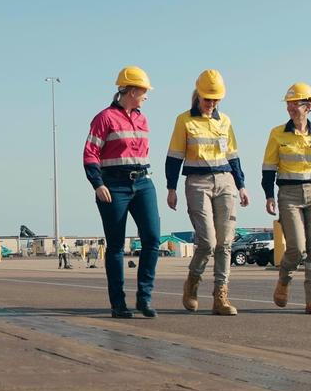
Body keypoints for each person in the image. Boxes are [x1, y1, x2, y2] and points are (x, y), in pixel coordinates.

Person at [166, 69, 250, 315]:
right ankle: (192, 282)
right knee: (207, 241)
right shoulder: (184, 121)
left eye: (216, 100)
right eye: (207, 99)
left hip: (225, 181)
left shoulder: (224, 121)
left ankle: (220, 296)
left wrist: (241, 185)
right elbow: (174, 157)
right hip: (197, 182)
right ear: (197, 96)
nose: (211, 104)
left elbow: (233, 156)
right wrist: (171, 188)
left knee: (225, 243)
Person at [84, 66, 160, 318]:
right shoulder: (104, 118)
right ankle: (118, 304)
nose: (146, 96)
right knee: (116, 245)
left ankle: (144, 298)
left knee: (152, 238)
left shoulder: (143, 118)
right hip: (113, 186)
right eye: (144, 91)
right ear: (132, 90)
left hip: (143, 183)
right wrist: (98, 184)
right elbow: (90, 154)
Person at [262, 83, 311, 315]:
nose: (292, 108)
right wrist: (268, 195)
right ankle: (284, 279)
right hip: (289, 194)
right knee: (297, 248)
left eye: (297, 103)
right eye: (289, 104)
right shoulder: (277, 133)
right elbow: (268, 167)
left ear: (310, 105)